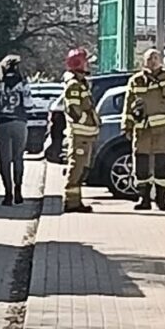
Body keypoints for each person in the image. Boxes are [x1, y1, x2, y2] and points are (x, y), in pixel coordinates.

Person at [122, 42, 165, 211]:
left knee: (163, 165)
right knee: (141, 165)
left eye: (155, 58)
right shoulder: (136, 81)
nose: (152, 61)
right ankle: (144, 199)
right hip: (142, 131)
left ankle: (161, 199)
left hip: (163, 132)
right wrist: (127, 125)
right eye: (149, 59)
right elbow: (128, 104)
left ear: (160, 60)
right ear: (143, 62)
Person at [0, 54, 33, 206]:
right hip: (20, 123)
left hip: (3, 124)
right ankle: (18, 190)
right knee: (18, 157)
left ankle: (8, 194)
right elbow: (28, 104)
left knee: (4, 160)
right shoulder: (24, 84)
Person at [62, 48, 100, 213]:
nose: (88, 64)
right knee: (76, 167)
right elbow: (74, 109)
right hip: (80, 134)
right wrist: (87, 121)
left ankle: (75, 201)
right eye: (85, 61)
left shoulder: (80, 83)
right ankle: (71, 202)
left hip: (85, 134)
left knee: (81, 168)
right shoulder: (74, 85)